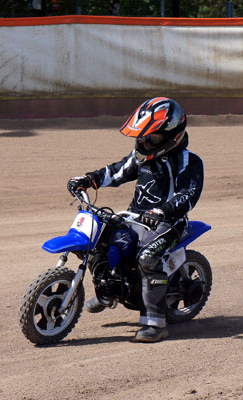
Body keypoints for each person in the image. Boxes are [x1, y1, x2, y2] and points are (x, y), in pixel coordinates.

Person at [67, 97, 204, 342]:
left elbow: (188, 194)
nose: (144, 142)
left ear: (172, 135)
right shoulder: (141, 156)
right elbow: (116, 171)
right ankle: (108, 291)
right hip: (134, 219)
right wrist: (89, 179)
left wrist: (163, 211)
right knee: (98, 241)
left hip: (168, 223)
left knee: (147, 258)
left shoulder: (188, 161)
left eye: (151, 138)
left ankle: (155, 323)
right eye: (141, 137)